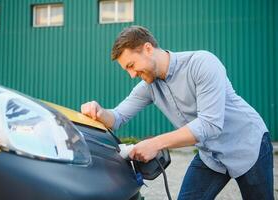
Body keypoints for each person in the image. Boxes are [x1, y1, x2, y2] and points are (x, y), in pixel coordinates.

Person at [81, 26, 273, 199]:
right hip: (210, 155)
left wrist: (155, 143)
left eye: (131, 65)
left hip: (247, 144)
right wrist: (99, 112)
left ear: (148, 49)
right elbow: (117, 117)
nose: (132, 75)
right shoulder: (148, 86)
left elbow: (209, 125)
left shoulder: (202, 63)